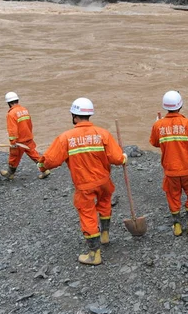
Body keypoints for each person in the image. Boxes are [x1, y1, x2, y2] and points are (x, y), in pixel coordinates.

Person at [37, 98, 127, 265]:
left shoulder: (66, 138)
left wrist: (42, 165)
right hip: (104, 181)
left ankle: (94, 254)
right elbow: (116, 158)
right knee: (105, 203)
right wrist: (123, 159)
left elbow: (51, 160)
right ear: (89, 115)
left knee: (87, 214)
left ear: (74, 116)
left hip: (85, 184)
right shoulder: (103, 134)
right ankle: (105, 235)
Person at [149, 91, 188, 237]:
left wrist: (157, 123)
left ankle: (176, 226)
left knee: (173, 195)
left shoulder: (159, 125)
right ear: (180, 105)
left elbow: (155, 143)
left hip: (170, 170)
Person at [0, 92, 50, 180]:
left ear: (9, 103)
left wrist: (13, 142)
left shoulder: (11, 114)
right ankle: (45, 170)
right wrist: (29, 135)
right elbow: (30, 124)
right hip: (28, 138)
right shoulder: (24, 110)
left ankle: (10, 174)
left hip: (19, 141)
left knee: (14, 156)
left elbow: (12, 130)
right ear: (17, 100)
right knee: (34, 155)